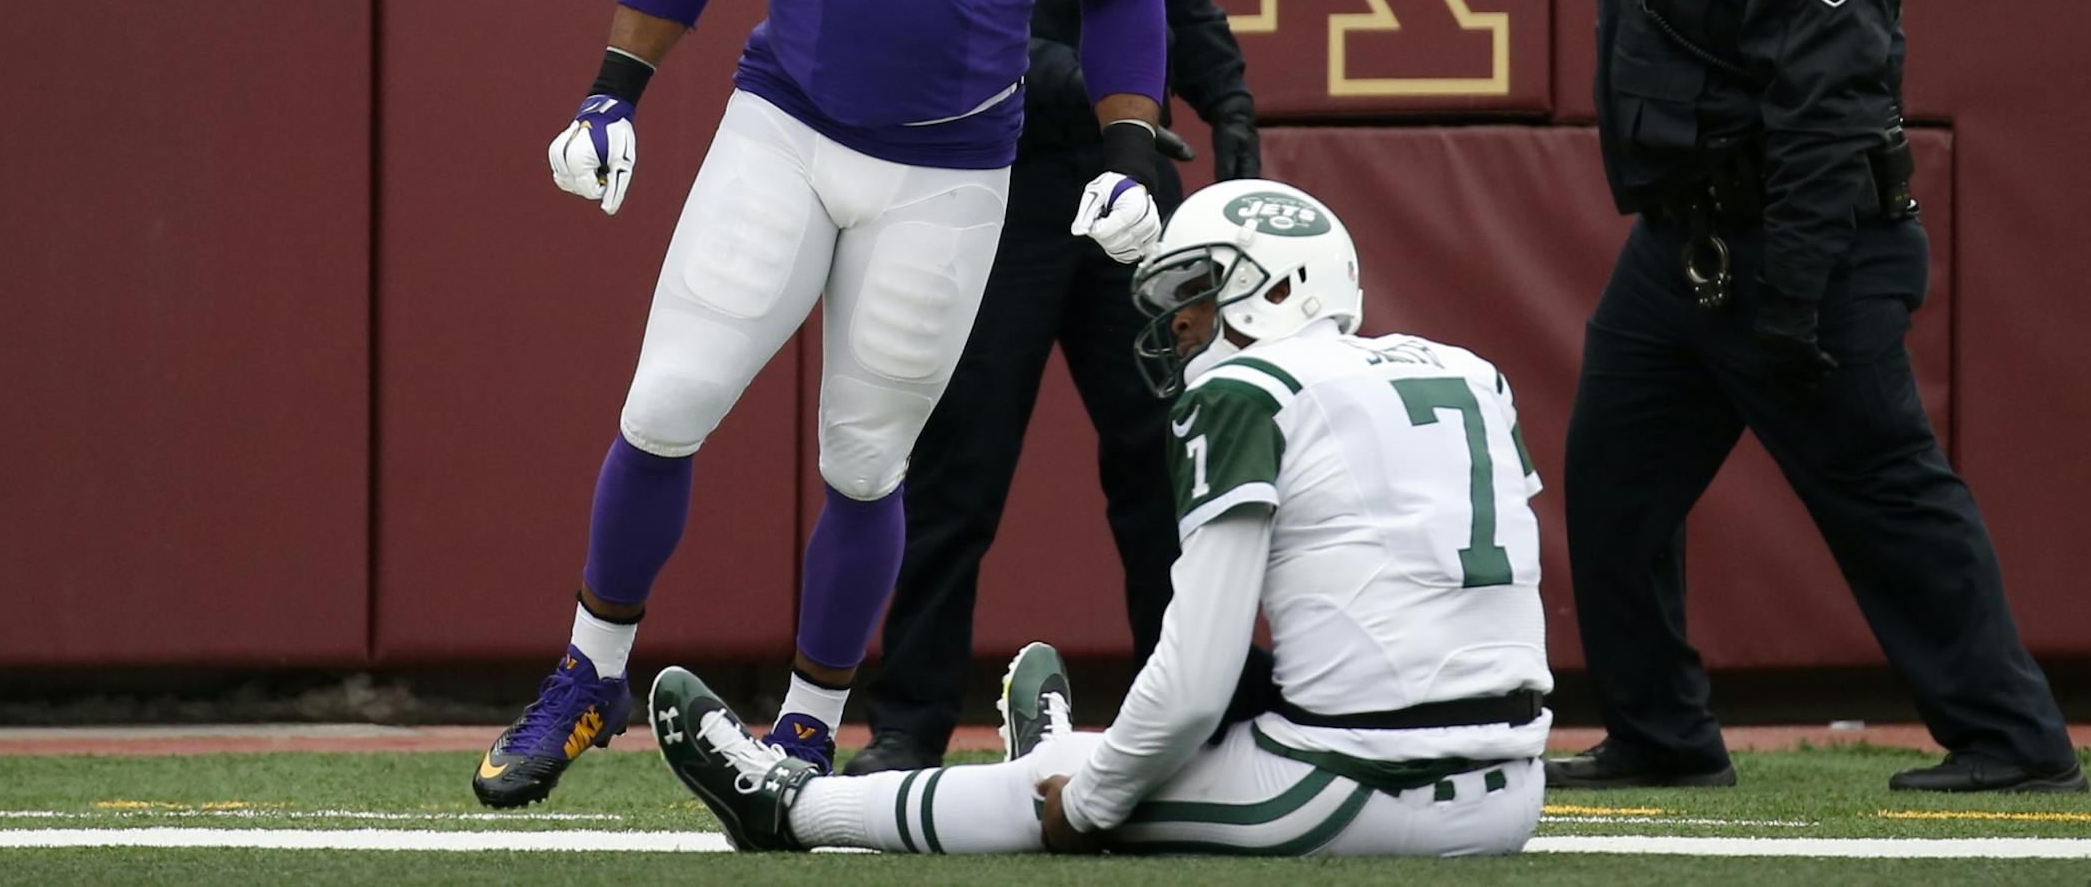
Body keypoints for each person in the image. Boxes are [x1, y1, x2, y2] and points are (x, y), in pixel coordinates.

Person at [472, 0, 1172, 808]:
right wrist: (614, 90)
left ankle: (803, 730)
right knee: (668, 400)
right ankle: (590, 672)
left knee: (867, 458)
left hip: (957, 167)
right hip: (786, 123)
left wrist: (1133, 148)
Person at [1532, 0, 2086, 794]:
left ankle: (2014, 738)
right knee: (1611, 481)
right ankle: (1664, 736)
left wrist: (1791, 297)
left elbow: (1828, 117)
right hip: (1683, 247)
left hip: (1807, 250)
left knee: (1885, 493)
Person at [653, 177, 1554, 857]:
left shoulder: (1251, 389)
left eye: (1202, 291)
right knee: (1154, 751)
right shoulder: (1467, 370)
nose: (1186, 323)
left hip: (1361, 784)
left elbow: (1198, 676)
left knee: (1054, 788)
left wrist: (1084, 802)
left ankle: (789, 806)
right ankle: (1057, 746)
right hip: (1514, 788)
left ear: (1284, 288)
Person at [844, 0, 1262, 779]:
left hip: (1124, 172)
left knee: (1166, 462)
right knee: (957, 465)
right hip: (995, 176)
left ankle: (1204, 711)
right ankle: (911, 718)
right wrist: (1088, 84)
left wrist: (1228, 97)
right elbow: (931, 11)